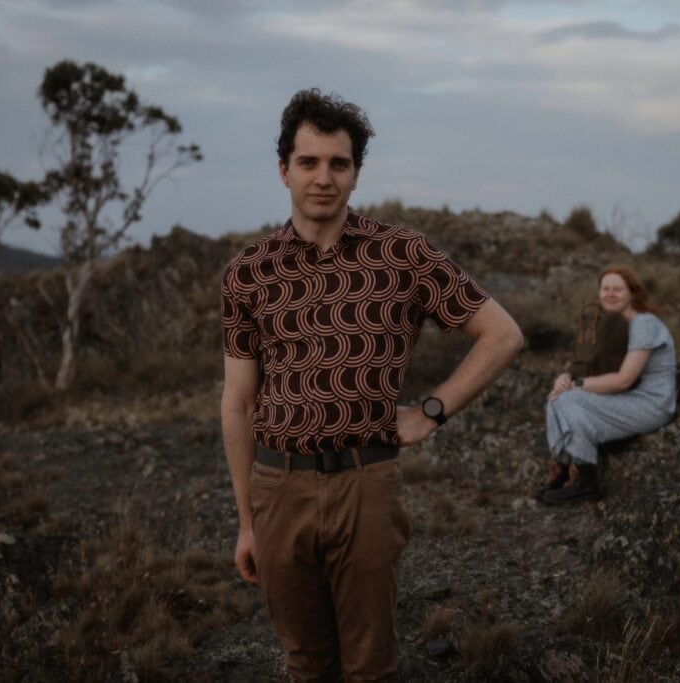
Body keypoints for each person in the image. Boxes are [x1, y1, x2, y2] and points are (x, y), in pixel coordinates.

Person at [220, 88, 523, 681]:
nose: (323, 178)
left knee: (370, 665)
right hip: (279, 487)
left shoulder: (402, 254)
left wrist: (431, 411)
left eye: (339, 163)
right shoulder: (249, 272)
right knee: (305, 663)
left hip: (367, 485)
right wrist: (247, 522)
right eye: (308, 162)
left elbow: (502, 334)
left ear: (356, 173)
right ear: (284, 170)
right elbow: (238, 402)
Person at [537, 266, 676, 505]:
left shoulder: (644, 323)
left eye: (617, 289)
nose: (610, 294)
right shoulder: (616, 324)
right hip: (631, 397)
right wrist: (566, 378)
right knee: (557, 397)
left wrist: (577, 385)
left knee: (568, 399)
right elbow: (594, 368)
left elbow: (624, 379)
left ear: (632, 294)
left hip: (652, 403)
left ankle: (585, 478)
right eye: (605, 288)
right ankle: (562, 468)